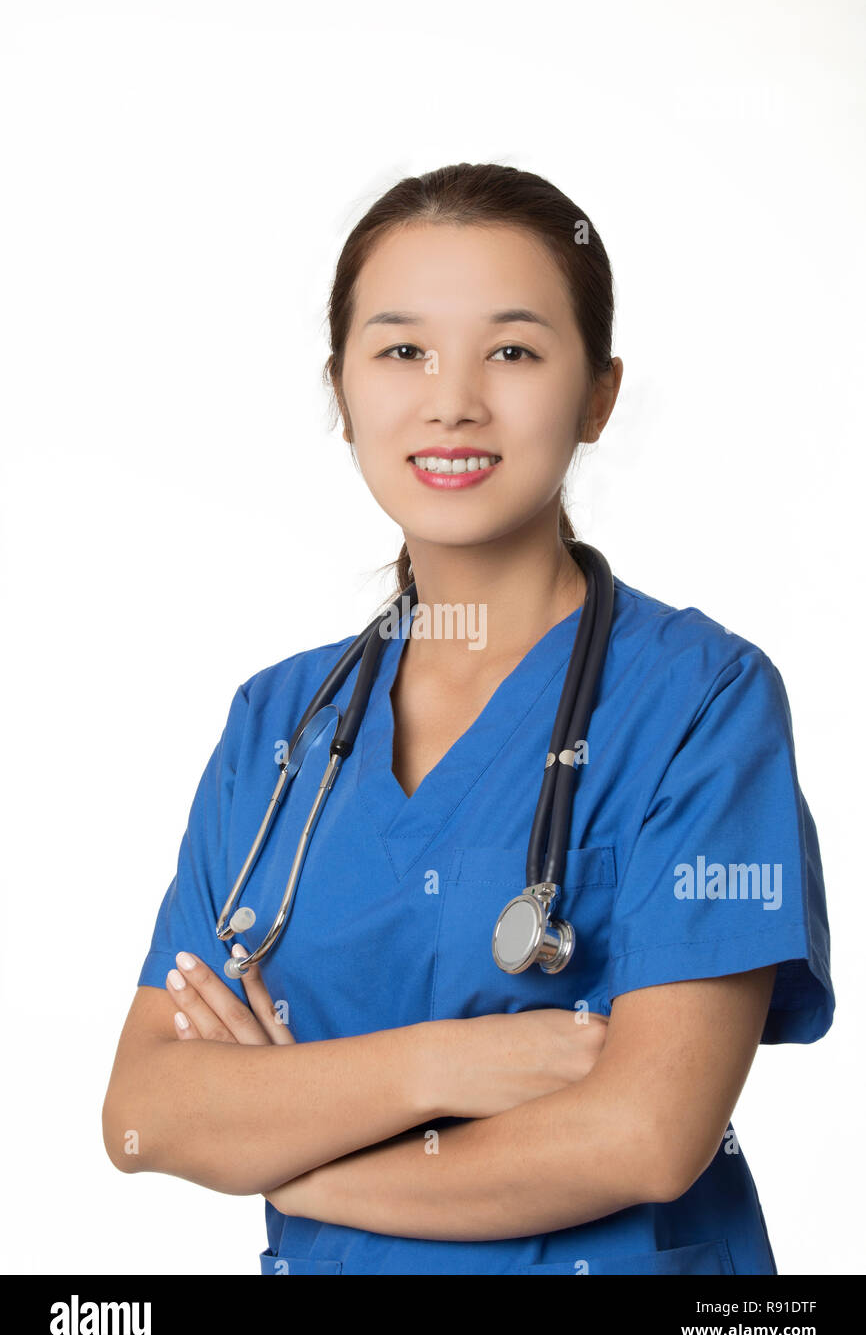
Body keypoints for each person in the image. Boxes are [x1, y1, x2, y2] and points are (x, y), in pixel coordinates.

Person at [102, 162, 834, 1276]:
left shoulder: (699, 700)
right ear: (342, 387)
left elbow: (644, 1136)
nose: (451, 400)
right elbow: (145, 1112)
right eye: (401, 350)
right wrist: (448, 1063)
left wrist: (289, 1152)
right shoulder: (278, 726)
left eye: (512, 350)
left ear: (597, 393)